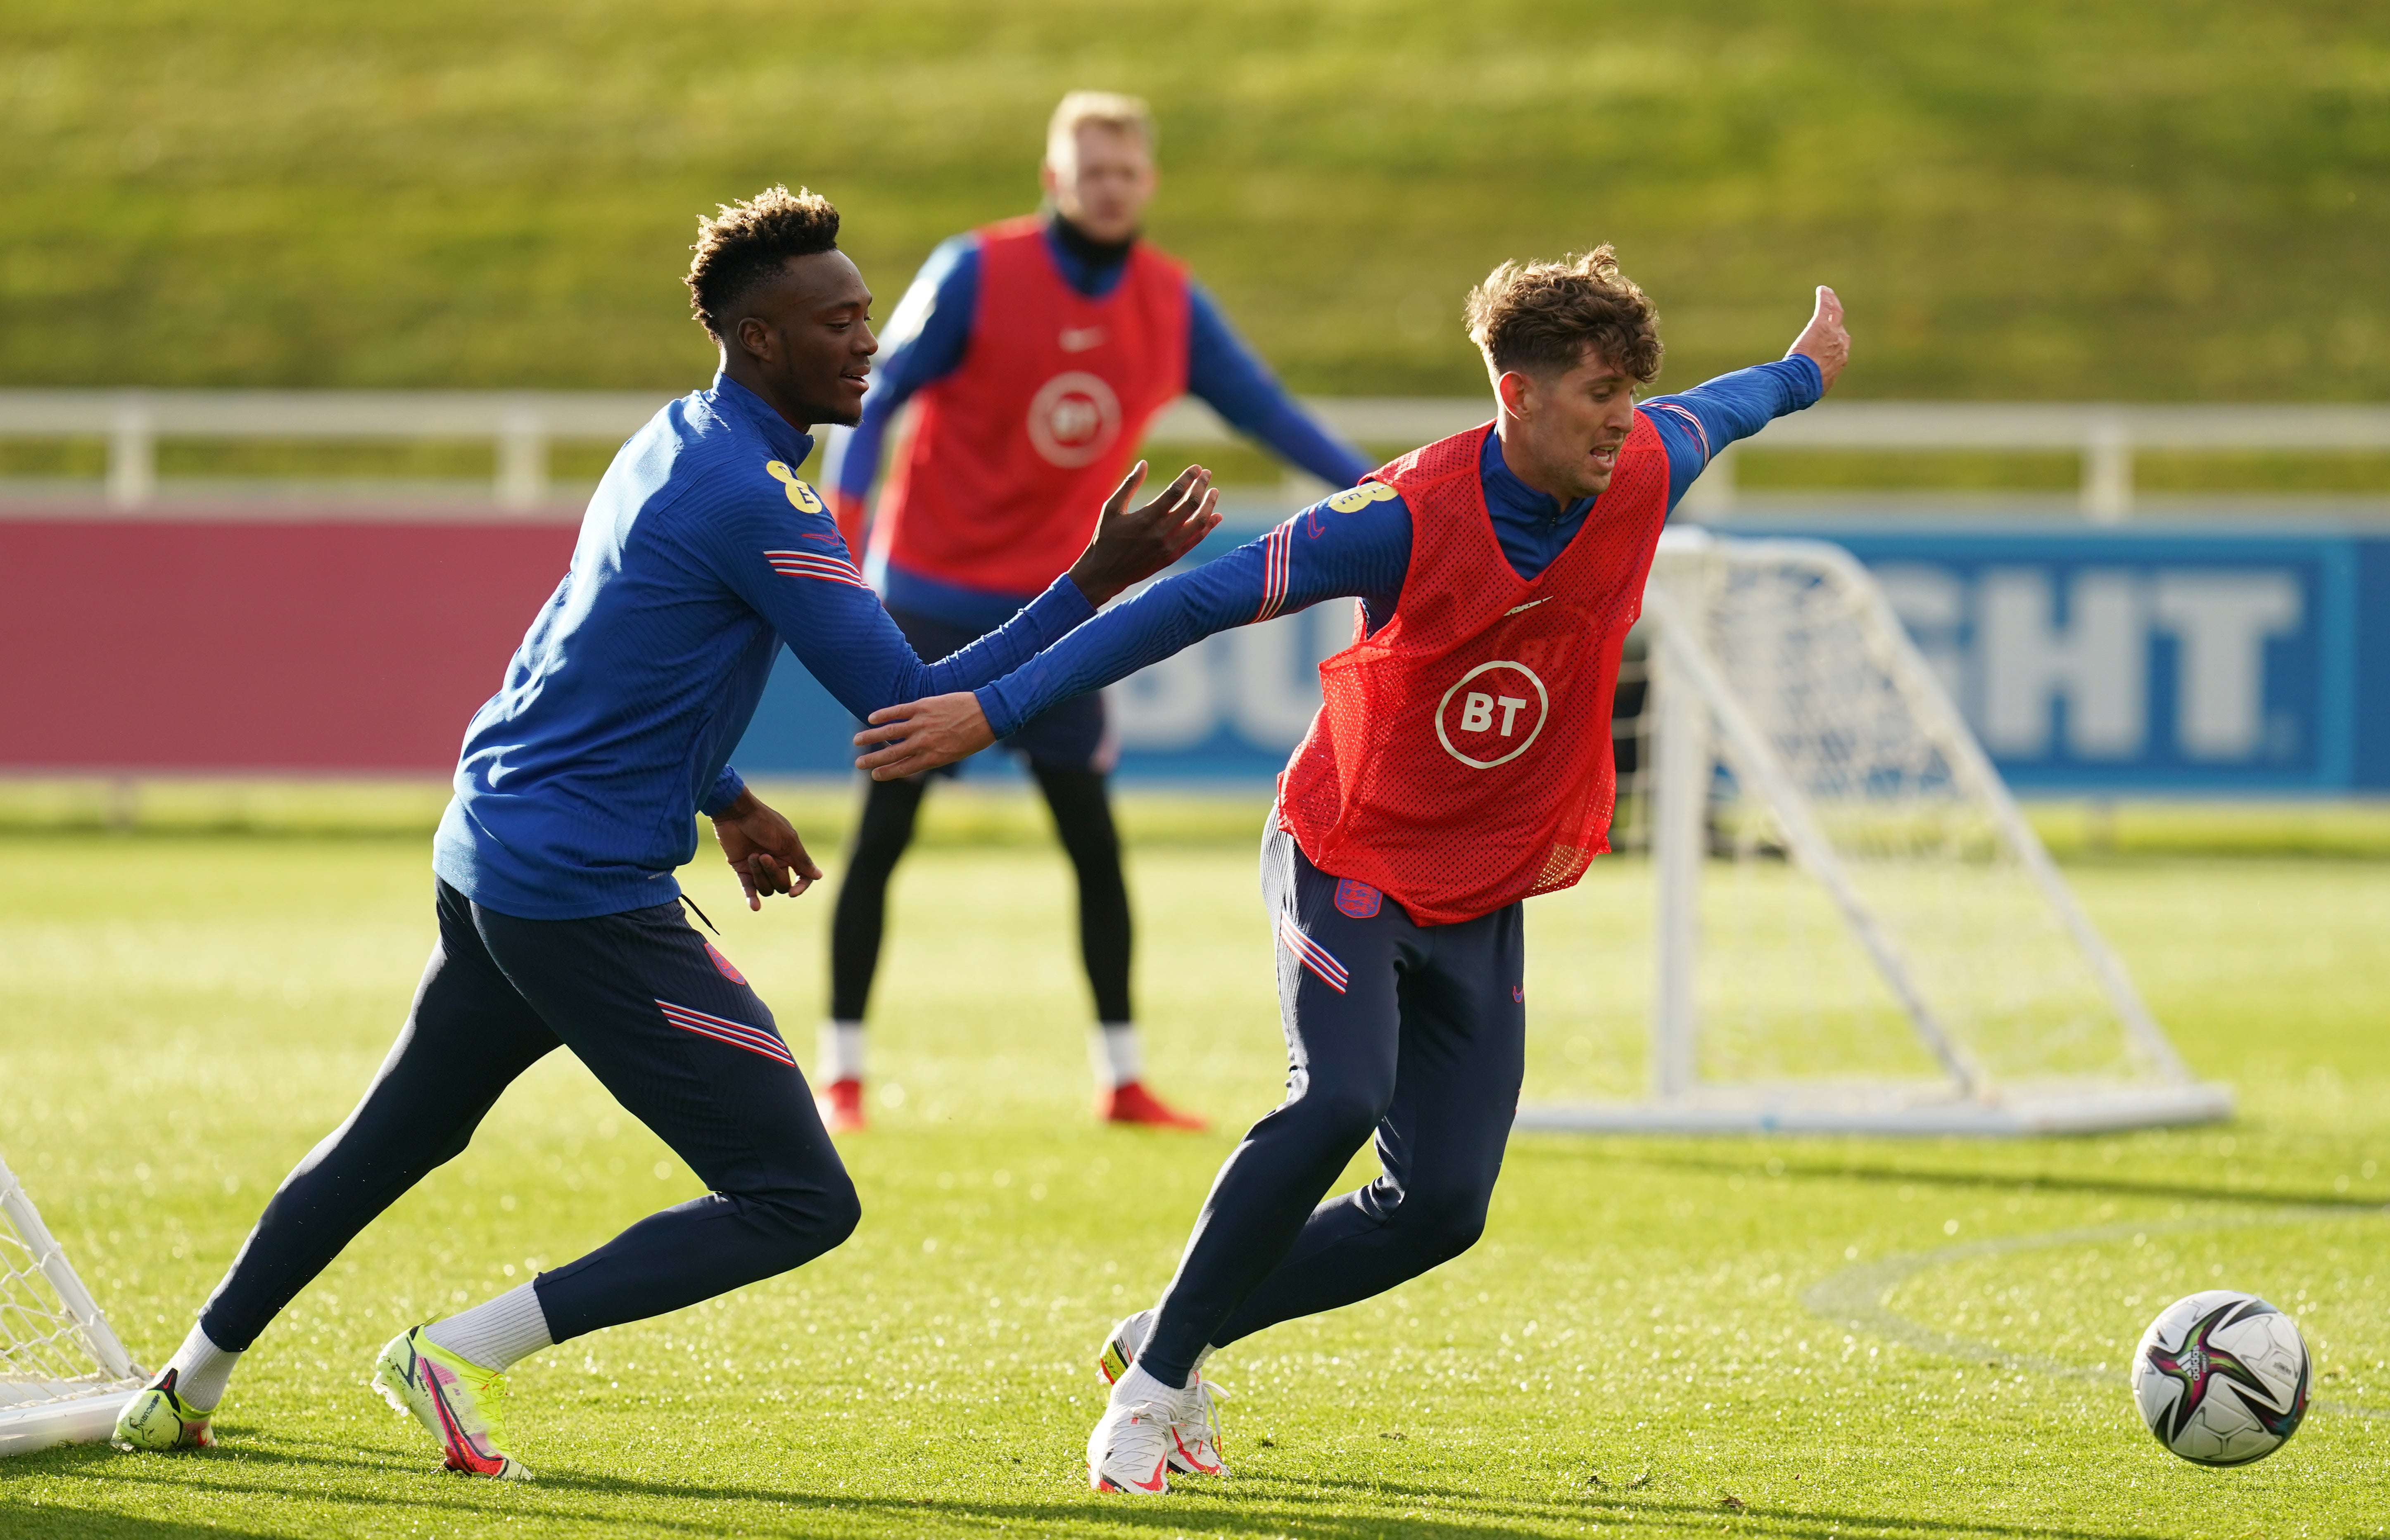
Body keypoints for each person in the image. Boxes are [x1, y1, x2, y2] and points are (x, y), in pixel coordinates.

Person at [108, 185, 1219, 1478]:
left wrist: (725, 794)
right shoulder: (756, 495)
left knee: (395, 1135)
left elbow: (592, 658)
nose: (869, 343)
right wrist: (1094, 580)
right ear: (762, 341)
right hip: (578, 890)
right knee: (801, 1198)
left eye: (868, 318)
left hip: (494, 849)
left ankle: (186, 1381)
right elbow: (911, 702)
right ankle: (457, 1351)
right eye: (841, 322)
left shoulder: (673, 438)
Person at [855, 252, 1852, 1493]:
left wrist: (1808, 367)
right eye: (1598, 388)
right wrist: (990, 709)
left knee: (1441, 1209)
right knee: (1335, 1098)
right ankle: (1148, 1404)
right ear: (1512, 391)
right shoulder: (1401, 515)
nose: (1622, 414)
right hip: (1350, 853)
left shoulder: (1649, 456)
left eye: (1632, 388)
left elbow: (1744, 397)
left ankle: (1163, 1340)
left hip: (1482, 884)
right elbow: (1191, 606)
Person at [813, 90, 1373, 1133]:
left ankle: (1122, 1077)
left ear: (1147, 184)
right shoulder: (977, 271)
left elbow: (1269, 412)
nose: (1109, 187)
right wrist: (843, 525)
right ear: (1054, 180)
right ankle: (840, 1072)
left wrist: (1397, 493)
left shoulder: (1168, 301)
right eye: (1091, 170)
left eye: (1125, 171)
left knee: (1090, 835)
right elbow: (875, 393)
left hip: (1062, 601)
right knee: (886, 825)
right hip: (928, 594)